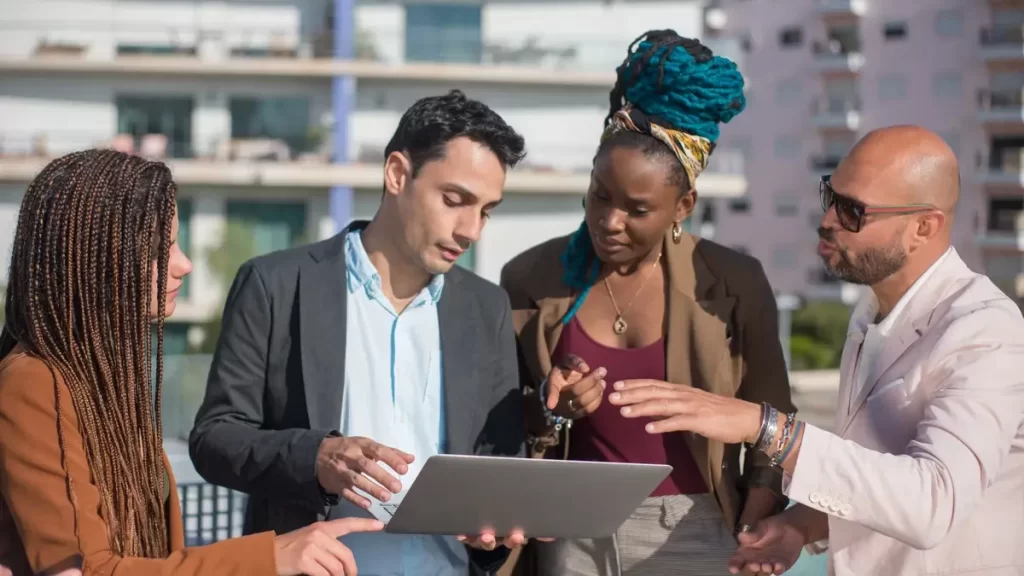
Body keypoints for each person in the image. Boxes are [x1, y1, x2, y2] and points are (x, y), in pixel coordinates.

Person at [608, 125, 1024, 576]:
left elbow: (933, 503)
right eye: (831, 196)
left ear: (924, 227)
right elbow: (875, 482)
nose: (827, 220)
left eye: (853, 211)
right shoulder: (872, 312)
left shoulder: (985, 330)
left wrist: (764, 427)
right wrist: (800, 526)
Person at [188, 89, 529, 576]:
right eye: (455, 200)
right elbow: (214, 438)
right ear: (397, 174)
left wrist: (493, 526)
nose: (472, 229)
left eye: (487, 210)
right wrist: (317, 456)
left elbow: (500, 463)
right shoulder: (277, 284)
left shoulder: (487, 306)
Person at [0, 150, 384, 576]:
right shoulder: (34, 381)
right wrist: (269, 557)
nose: (183, 265)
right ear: (95, 260)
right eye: (159, 250)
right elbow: (82, 570)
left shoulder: (101, 382)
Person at [498, 30, 795, 576]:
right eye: (599, 195)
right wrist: (549, 408)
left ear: (683, 205)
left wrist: (754, 520)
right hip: (571, 527)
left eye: (637, 210)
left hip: (696, 528)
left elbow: (772, 416)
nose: (609, 222)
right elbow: (500, 422)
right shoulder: (528, 279)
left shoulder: (733, 282)